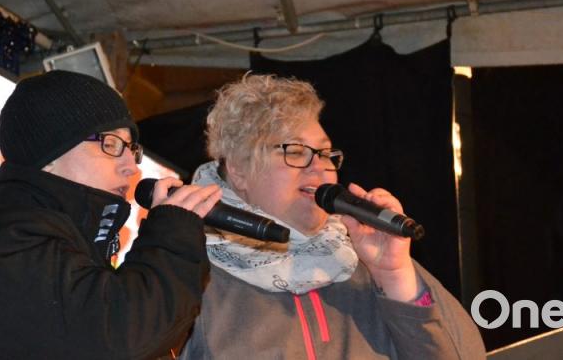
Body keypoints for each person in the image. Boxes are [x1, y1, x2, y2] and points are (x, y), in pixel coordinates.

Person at [0, 71, 222, 360]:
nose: (133, 166)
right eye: (111, 144)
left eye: (132, 149)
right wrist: (171, 233)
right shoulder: (5, 238)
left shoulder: (72, 246)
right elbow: (115, 337)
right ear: (49, 155)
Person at [179, 74, 486, 359]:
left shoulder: (364, 260)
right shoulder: (189, 272)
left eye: (326, 154)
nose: (320, 167)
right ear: (239, 169)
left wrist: (395, 275)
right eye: (296, 151)